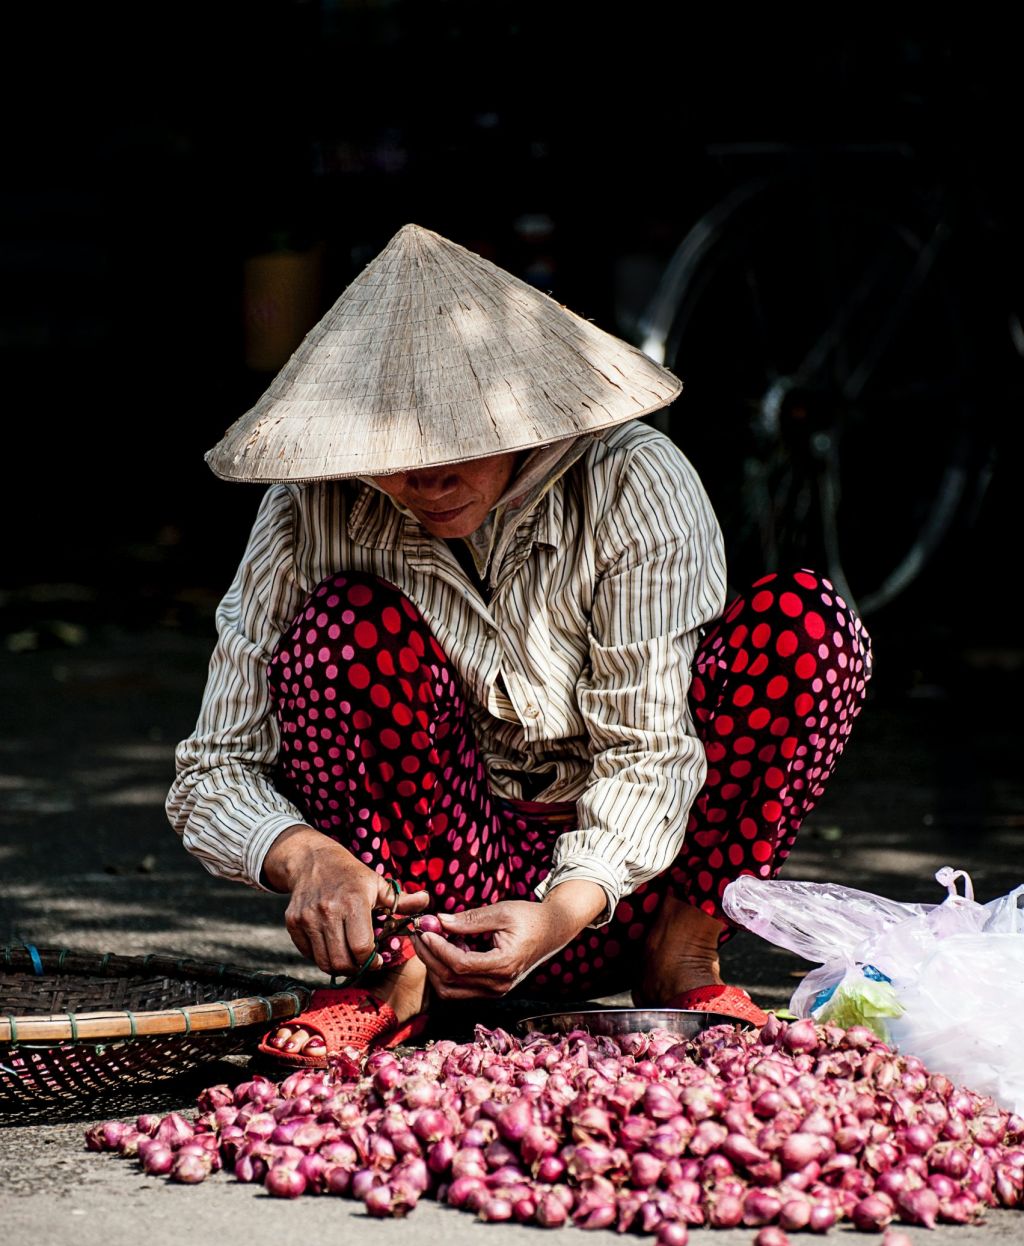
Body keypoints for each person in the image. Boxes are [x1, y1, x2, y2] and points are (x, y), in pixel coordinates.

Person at [167, 224, 872, 1066]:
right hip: (437, 898)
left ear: (526, 413)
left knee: (810, 626)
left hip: (635, 890)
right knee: (345, 629)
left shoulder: (632, 481)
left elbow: (649, 753)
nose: (428, 480)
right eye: (396, 454)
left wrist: (564, 910)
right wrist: (307, 857)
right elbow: (213, 768)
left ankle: (681, 956)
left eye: (461, 442)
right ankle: (393, 982)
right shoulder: (306, 511)